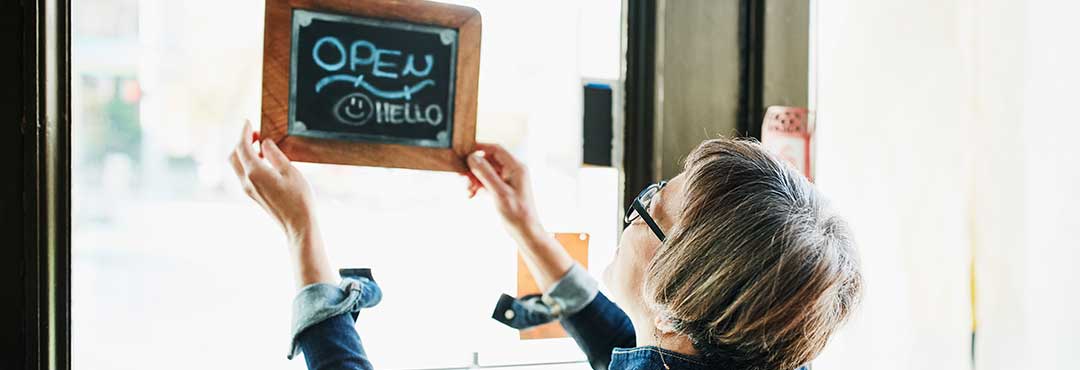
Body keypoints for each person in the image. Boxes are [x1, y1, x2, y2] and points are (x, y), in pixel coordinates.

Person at [229, 119, 862, 370]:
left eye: (650, 208)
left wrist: (303, 233)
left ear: (680, 296)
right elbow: (635, 344)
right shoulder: (719, 350)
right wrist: (528, 229)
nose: (632, 213)